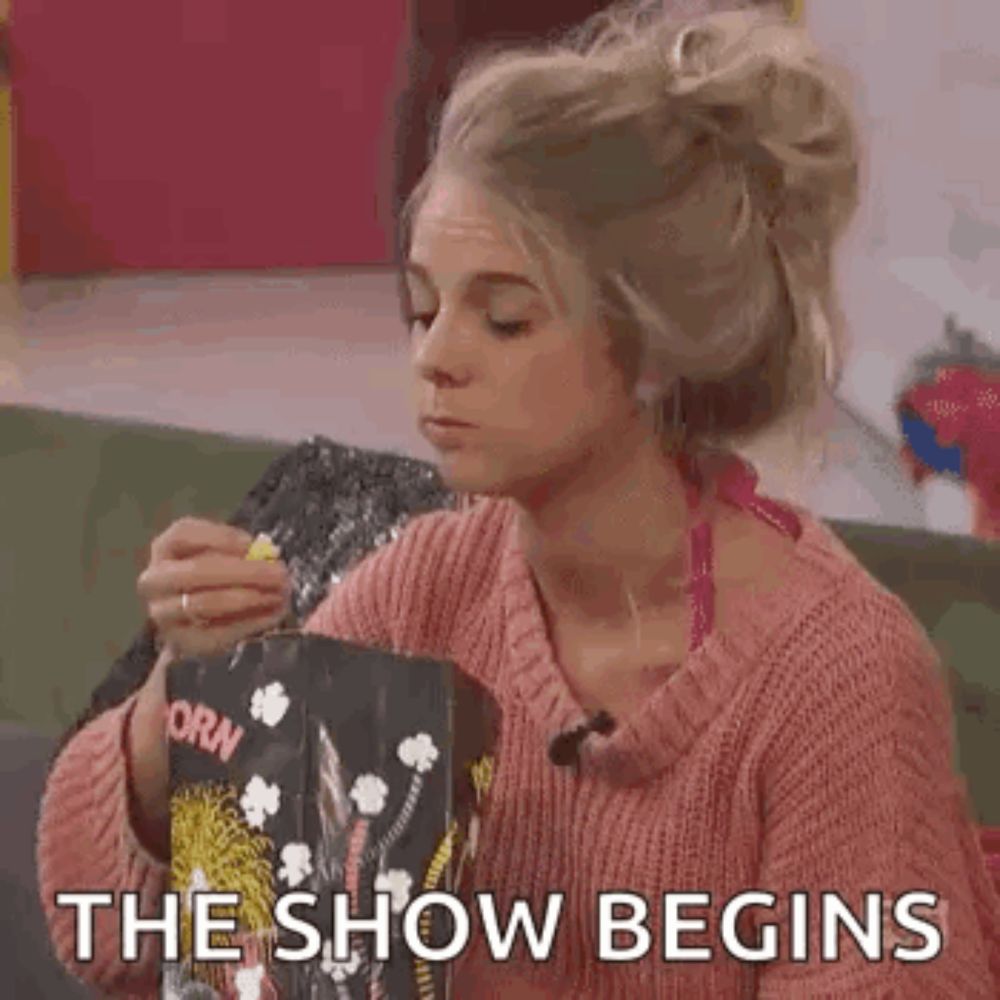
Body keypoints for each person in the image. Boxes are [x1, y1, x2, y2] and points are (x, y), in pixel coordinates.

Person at [37, 3, 1000, 997]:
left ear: (654, 351)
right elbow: (112, 937)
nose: (434, 358)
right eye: (424, 308)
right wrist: (187, 706)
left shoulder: (837, 677)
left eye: (503, 319)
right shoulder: (425, 589)